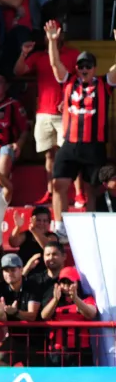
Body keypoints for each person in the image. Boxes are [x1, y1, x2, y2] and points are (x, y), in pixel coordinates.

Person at [44, 20, 116, 241]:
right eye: (81, 66)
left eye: (88, 66)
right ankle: (60, 227)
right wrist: (52, 41)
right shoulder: (68, 82)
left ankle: (91, 227)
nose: (84, 69)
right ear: (76, 68)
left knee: (92, 189)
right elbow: (55, 64)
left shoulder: (104, 84)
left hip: (94, 145)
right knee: (58, 184)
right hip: (70, 145)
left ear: (94, 68)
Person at [13, 31, 79, 203]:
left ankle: (78, 193)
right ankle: (50, 192)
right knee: (49, 155)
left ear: (62, 35)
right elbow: (18, 71)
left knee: (71, 154)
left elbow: (81, 80)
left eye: (56, 32)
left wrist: (69, 99)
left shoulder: (73, 54)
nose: (52, 37)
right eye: (48, 33)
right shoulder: (39, 56)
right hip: (44, 113)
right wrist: (24, 53)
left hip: (67, 113)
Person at [0, 253, 41, 366]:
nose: (9, 273)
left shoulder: (32, 285)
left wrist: (15, 312)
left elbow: (32, 316)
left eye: (13, 270)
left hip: (34, 340)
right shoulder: (0, 287)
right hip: (13, 339)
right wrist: (0, 313)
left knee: (36, 375)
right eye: (6, 270)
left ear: (21, 269)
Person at [40, 266, 98, 366]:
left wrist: (75, 299)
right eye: (63, 283)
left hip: (81, 351)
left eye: (70, 282)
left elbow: (91, 314)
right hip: (58, 351)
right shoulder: (55, 299)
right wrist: (55, 300)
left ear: (77, 283)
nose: (66, 286)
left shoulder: (86, 299)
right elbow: (44, 315)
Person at [9, 205, 52, 275]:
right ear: (32, 220)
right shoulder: (27, 234)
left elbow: (49, 247)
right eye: (38, 220)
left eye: (45, 221)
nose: (41, 223)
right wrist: (18, 227)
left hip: (44, 275)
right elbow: (13, 243)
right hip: (24, 273)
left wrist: (34, 230)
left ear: (49, 222)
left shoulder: (52, 236)